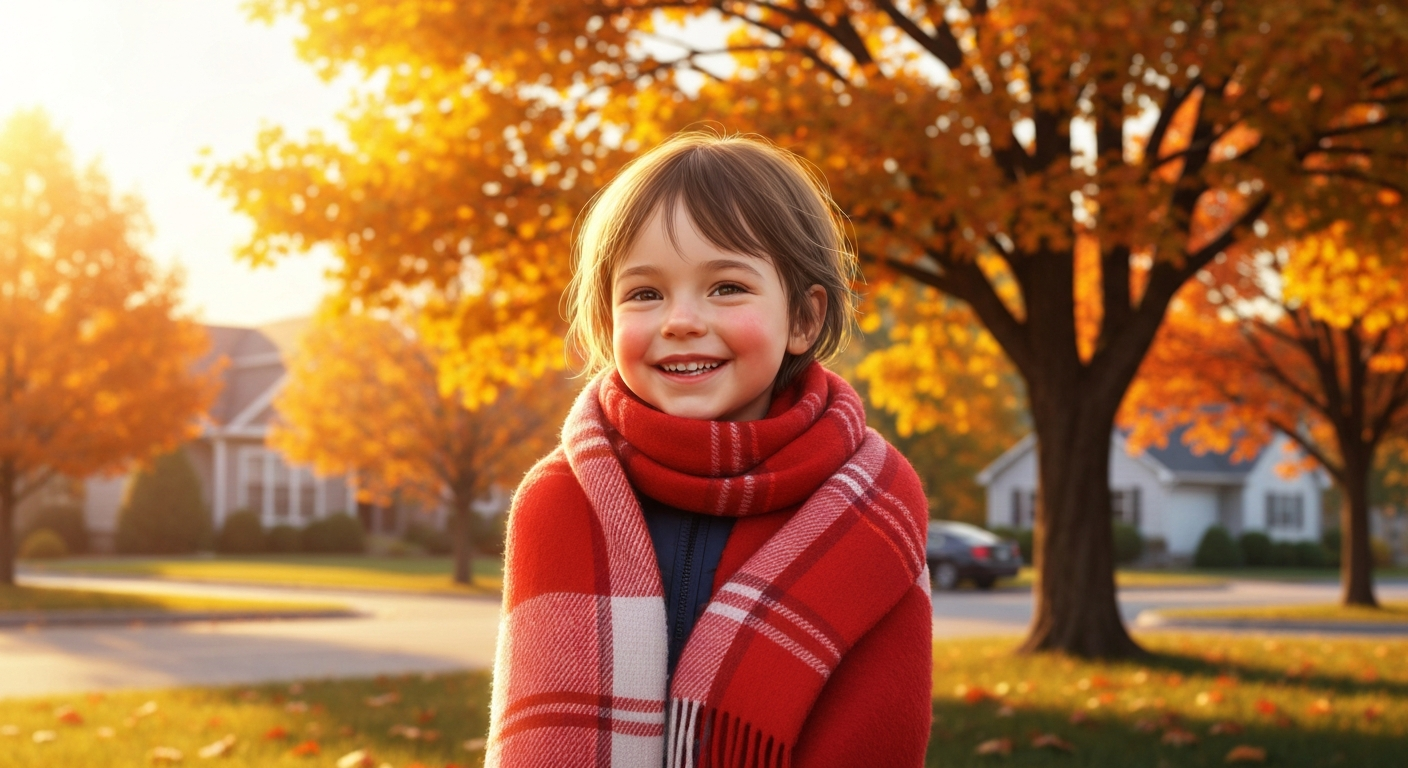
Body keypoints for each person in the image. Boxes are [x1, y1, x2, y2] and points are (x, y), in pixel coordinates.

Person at [486, 131, 932, 768]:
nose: (681, 320)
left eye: (726, 287)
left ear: (803, 320)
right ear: (607, 323)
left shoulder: (869, 508)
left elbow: (880, 730)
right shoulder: (558, 501)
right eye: (645, 293)